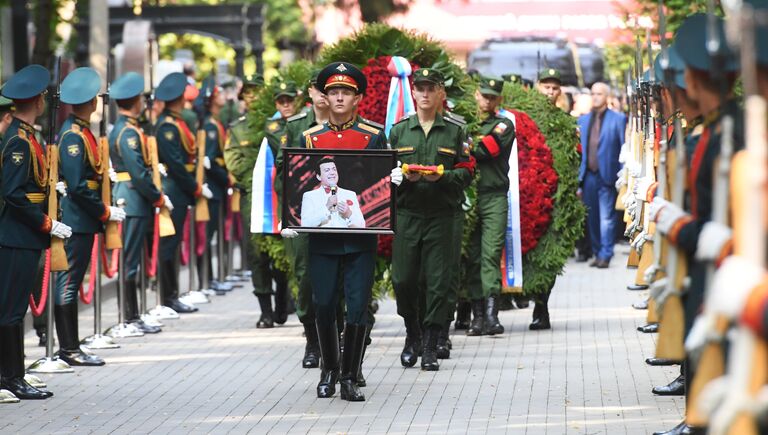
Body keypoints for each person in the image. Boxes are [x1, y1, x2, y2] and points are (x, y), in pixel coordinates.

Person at [648, 14, 742, 435]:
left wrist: (677, 224)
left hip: (729, 284)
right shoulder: (712, 131)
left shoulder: (733, 134)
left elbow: (720, 227)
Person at [281, 61, 397, 402]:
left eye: (346, 92)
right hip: (322, 237)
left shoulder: (373, 136)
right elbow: (288, 179)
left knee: (359, 305)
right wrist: (289, 215)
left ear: (358, 97)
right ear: (323, 96)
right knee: (324, 302)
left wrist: (395, 182)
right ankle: (329, 368)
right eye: (333, 92)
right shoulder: (308, 138)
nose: (340, 97)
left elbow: (379, 183)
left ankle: (349, 375)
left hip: (360, 237)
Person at [389, 68, 473, 370]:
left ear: (441, 94)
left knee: (438, 282)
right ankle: (412, 331)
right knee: (403, 279)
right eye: (420, 88)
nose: (424, 94)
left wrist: (444, 176)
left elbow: (468, 171)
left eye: (430, 88)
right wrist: (399, 176)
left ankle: (430, 344)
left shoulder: (456, 130)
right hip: (408, 214)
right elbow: (387, 171)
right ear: (412, 92)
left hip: (442, 215)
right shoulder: (399, 131)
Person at [0, 64, 71, 400]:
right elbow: (13, 193)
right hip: (17, 235)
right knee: (11, 311)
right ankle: (11, 377)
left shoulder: (26, 135)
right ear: (39, 100)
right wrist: (45, 222)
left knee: (14, 310)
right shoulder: (19, 141)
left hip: (22, 235)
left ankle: (15, 374)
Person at [54, 67, 126, 367]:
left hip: (84, 218)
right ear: (90, 102)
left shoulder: (83, 131)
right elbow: (78, 185)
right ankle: (69, 348)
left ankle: (72, 345)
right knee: (69, 283)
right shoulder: (73, 136)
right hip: (77, 218)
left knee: (72, 281)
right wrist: (104, 210)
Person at [109, 71, 170, 334]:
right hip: (132, 199)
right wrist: (157, 195)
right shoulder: (129, 133)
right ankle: (129, 317)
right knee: (130, 260)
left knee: (134, 259)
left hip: (134, 198)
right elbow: (138, 172)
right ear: (135, 101)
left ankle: (134, 314)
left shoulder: (129, 129)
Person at [279, 70, 329, 368]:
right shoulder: (297, 127)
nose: (325, 94)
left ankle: (339, 341)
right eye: (319, 88)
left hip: (340, 218)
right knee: (307, 280)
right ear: (310, 93)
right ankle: (312, 339)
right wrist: (292, 210)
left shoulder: (352, 128)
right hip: (307, 219)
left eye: (331, 89)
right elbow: (283, 175)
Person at [156, 72, 214, 314]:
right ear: (180, 97)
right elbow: (176, 164)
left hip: (181, 189)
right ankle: (168, 297)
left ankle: (172, 295)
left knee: (176, 243)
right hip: (175, 189)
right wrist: (195, 187)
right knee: (169, 245)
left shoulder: (177, 122)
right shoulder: (168, 127)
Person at [465, 75, 516, 337]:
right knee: (471, 257)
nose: (487, 100)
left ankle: (491, 314)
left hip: (493, 196)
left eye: (492, 97)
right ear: (476, 94)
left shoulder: (503, 125)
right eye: (483, 95)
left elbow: (487, 150)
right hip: (469, 196)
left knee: (490, 253)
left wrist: (465, 143)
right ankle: (477, 316)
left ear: (499, 100)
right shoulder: (465, 122)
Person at [251, 80, 297, 328]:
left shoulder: (303, 123)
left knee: (290, 256)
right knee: (261, 256)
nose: (286, 105)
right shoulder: (271, 128)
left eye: (290, 99)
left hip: (294, 194)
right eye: (282, 101)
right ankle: (267, 310)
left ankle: (284, 304)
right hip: (268, 197)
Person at [577, 82, 627, 269]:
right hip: (588, 174)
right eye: (593, 93)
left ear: (607, 96)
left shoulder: (618, 119)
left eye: (599, 93)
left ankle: (606, 254)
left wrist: (624, 176)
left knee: (607, 218)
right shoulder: (583, 120)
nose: (595, 96)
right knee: (592, 216)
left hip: (607, 174)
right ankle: (598, 252)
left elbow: (624, 147)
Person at [195, 77, 231, 293]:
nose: (222, 97)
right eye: (218, 94)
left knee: (211, 234)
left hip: (217, 185)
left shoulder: (215, 121)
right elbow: (208, 160)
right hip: (212, 186)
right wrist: (226, 179)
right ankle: (205, 280)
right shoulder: (210, 125)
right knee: (206, 236)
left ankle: (210, 278)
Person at [300, 157, 365, 229]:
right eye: (327, 170)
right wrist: (326, 207)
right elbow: (305, 225)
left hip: (345, 239)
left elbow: (362, 226)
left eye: (334, 169)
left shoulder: (350, 194)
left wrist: (349, 214)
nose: (332, 173)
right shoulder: (309, 196)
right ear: (319, 177)